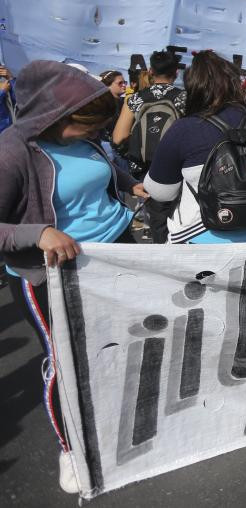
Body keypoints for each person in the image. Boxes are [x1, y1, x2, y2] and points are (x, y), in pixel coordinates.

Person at [0, 61, 147, 493]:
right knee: (68, 364)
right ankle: (71, 447)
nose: (96, 130)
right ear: (51, 115)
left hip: (115, 252)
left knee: (125, 341)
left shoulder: (90, 137)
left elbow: (102, 167)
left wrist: (129, 184)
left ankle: (117, 418)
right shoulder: (12, 150)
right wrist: (39, 232)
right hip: (51, 276)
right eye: (85, 123)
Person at [143, 51, 246, 243]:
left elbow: (161, 193)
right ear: (236, 81)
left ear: (193, 88)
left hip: (207, 234)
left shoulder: (184, 129)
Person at [111, 49, 186, 243]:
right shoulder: (184, 98)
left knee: (158, 220)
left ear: (151, 71)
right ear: (176, 72)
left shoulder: (135, 99)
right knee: (184, 215)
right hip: (180, 165)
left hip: (148, 169)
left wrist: (135, 154)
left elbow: (118, 138)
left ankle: (163, 255)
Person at [0, 62, 15, 134]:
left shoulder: (4, 84)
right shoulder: (3, 88)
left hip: (9, 130)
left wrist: (11, 78)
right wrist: (2, 92)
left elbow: (18, 100)